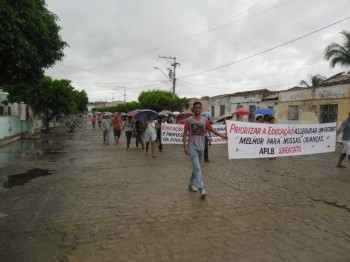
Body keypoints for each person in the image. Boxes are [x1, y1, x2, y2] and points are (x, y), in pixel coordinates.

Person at [183, 101, 227, 199]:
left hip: (202, 147)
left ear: (201, 109)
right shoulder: (189, 120)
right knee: (198, 168)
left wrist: (222, 136)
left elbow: (211, 129)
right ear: (193, 109)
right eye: (196, 107)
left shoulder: (204, 120)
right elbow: (185, 133)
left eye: (199, 107)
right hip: (192, 146)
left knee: (196, 167)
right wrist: (185, 146)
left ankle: (190, 184)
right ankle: (202, 189)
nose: (197, 109)